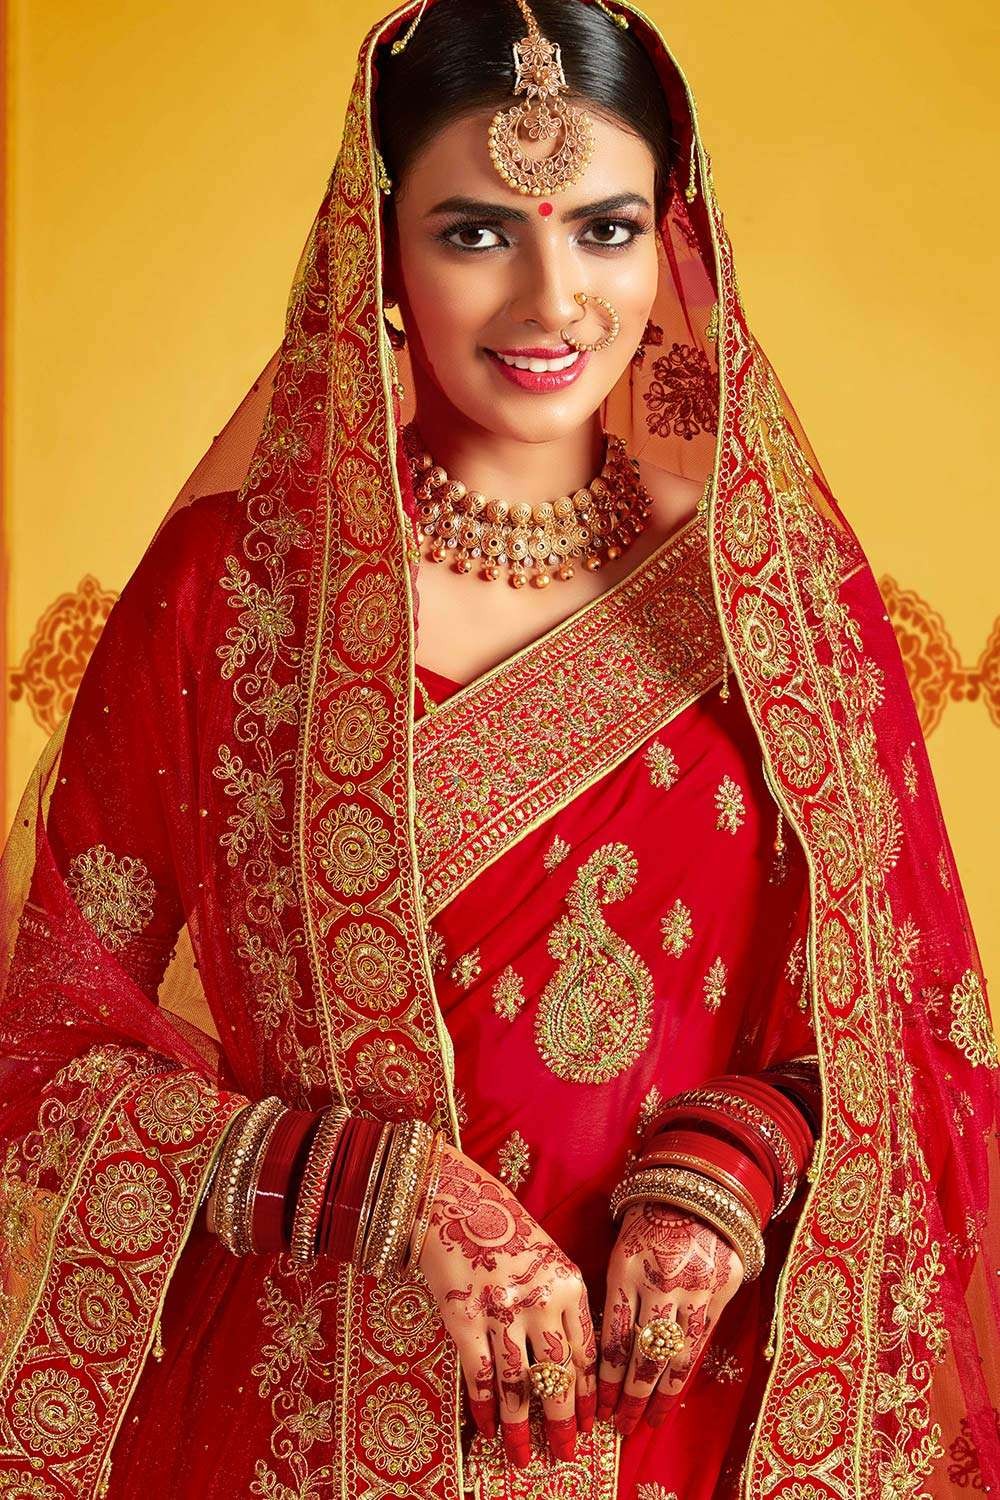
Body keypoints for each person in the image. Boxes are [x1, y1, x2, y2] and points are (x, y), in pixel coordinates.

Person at [1, 1, 997, 1496]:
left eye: (605, 230)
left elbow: (917, 1024)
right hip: (320, 1415)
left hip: (686, 1408)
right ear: (380, 259)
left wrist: (729, 1167)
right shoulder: (232, 596)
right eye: (476, 235)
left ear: (673, 241)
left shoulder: (775, 596)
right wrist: (392, 1196)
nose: (553, 301)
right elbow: (48, 1043)